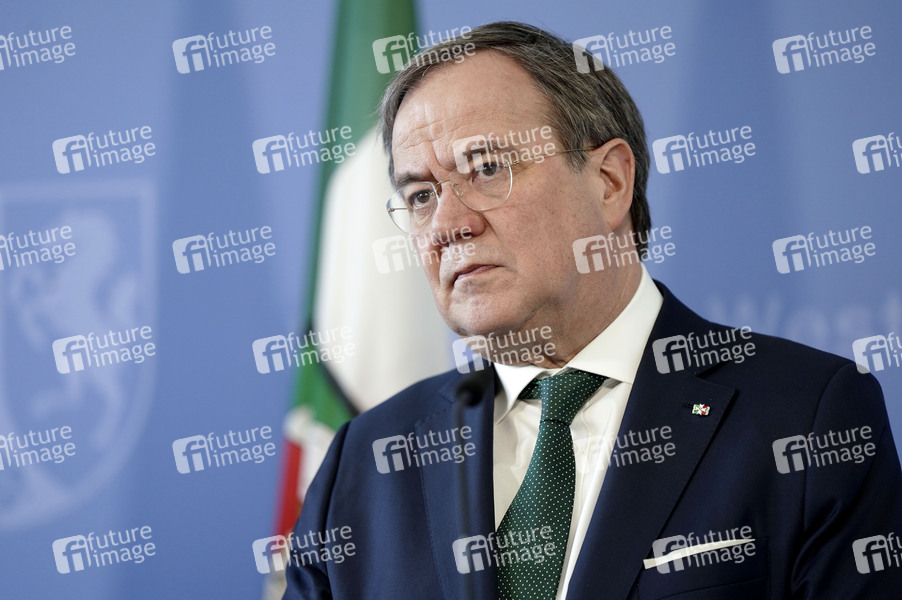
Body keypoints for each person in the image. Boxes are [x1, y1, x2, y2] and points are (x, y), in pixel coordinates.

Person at [283, 21, 902, 599]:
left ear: (609, 181)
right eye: (420, 195)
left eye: (486, 168)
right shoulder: (363, 458)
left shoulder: (806, 416)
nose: (447, 225)